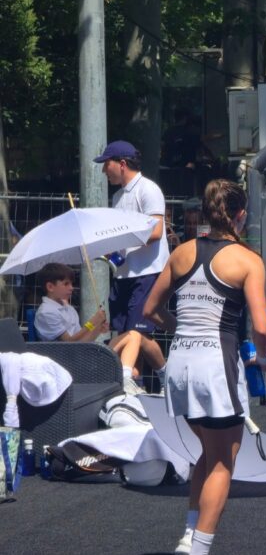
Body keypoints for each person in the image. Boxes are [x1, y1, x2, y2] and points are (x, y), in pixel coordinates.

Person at [143, 179, 266, 555]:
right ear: (239, 214)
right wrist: (263, 358)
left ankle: (189, 535)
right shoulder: (247, 259)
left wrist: (181, 328)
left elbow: (150, 309)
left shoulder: (181, 252)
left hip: (180, 364)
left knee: (207, 452)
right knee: (223, 461)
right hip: (217, 367)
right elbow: (262, 325)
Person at [94, 140, 168, 390]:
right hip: (123, 273)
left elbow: (157, 230)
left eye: (107, 164)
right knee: (131, 334)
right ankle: (149, 380)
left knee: (137, 332)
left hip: (148, 272)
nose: (104, 171)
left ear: (122, 164)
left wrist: (123, 240)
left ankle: (129, 379)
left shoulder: (148, 190)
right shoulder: (117, 196)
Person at [33, 263, 162, 393]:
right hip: (70, 361)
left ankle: (128, 377)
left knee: (134, 335)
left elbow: (82, 341)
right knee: (132, 345)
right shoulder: (46, 312)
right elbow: (70, 343)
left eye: (71, 284)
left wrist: (98, 329)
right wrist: (92, 322)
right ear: (50, 287)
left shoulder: (68, 308)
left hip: (83, 353)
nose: (71, 288)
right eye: (66, 284)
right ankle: (127, 379)